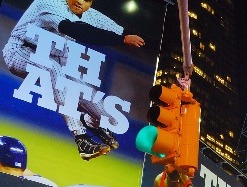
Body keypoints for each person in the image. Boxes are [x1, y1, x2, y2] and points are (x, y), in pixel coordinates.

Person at [2, 0, 146, 160]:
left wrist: (153, 43)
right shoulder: (49, 3)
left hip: (54, 60)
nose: (80, 1)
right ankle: (81, 138)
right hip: (20, 52)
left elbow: (123, 31)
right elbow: (74, 29)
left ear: (91, 3)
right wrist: (122, 40)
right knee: (52, 68)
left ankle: (91, 121)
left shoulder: (90, 15)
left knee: (100, 108)